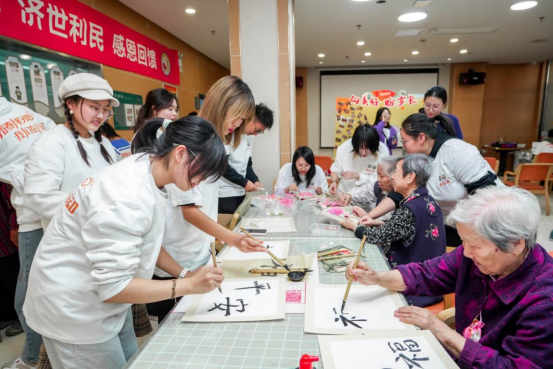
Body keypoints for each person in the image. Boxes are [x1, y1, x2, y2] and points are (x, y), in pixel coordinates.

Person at [22, 116, 228, 369]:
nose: (202, 180)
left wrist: (186, 274)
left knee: (133, 360)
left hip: (100, 299)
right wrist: (188, 285)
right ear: (181, 153)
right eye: (203, 171)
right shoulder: (126, 195)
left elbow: (145, 241)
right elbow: (115, 287)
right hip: (73, 307)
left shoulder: (146, 168)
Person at [346, 186, 553, 368]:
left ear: (516, 244)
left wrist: (439, 329)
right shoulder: (472, 256)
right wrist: (377, 277)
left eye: (475, 246)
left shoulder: (544, 301)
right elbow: (428, 274)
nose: (465, 253)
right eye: (465, 243)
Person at [10, 74, 116, 369]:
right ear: (70, 104)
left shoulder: (102, 141)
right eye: (94, 107)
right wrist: (94, 204)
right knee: (42, 304)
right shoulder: (52, 143)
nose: (101, 116)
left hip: (90, 236)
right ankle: (33, 360)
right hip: (57, 234)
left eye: (106, 109)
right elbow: (39, 197)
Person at [146, 76, 266, 323]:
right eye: (238, 116)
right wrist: (232, 238)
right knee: (174, 332)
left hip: (197, 252)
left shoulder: (215, 142)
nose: (238, 124)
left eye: (244, 120)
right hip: (176, 260)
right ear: (224, 105)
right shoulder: (191, 140)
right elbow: (189, 210)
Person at [342, 154, 446, 307]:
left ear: (410, 177)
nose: (392, 178)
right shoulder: (426, 200)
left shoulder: (410, 209)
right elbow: (405, 227)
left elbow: (377, 237)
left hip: (416, 289)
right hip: (430, 283)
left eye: (396, 172)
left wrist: (354, 226)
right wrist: (376, 222)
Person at [399, 113, 500, 246]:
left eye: (404, 141)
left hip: (485, 225)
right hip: (451, 224)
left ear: (421, 137)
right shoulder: (422, 159)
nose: (403, 147)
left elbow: (486, 194)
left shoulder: (456, 151)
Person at [218, 103, 274, 214]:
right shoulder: (228, 132)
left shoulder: (249, 136)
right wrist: (244, 182)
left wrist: (254, 180)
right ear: (250, 118)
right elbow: (222, 166)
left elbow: (247, 164)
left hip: (240, 191)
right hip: (224, 193)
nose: (256, 134)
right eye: (257, 130)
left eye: (260, 132)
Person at [329, 124, 389, 194]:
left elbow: (382, 179)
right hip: (344, 194)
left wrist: (359, 175)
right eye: (360, 148)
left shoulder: (383, 150)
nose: (363, 152)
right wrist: (334, 182)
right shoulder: (344, 148)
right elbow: (336, 170)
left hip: (370, 198)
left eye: (367, 148)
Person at [0, 183, 22, 342]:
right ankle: (7, 316)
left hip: (6, 241)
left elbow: (14, 199)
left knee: (13, 278)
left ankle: (22, 319)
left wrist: (14, 227)